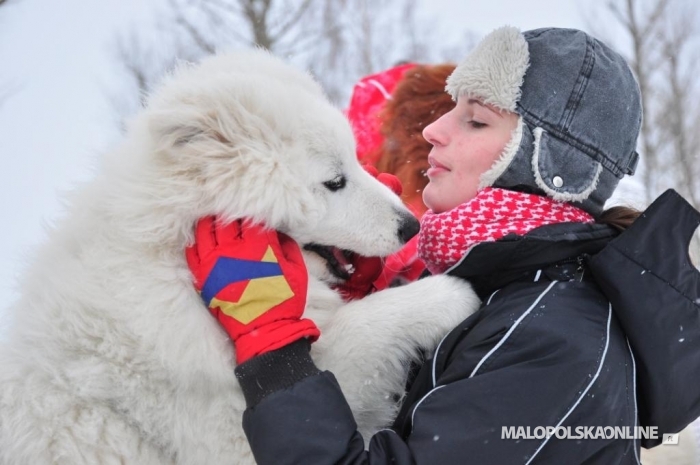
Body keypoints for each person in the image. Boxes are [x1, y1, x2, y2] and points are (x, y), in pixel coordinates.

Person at [186, 27, 700, 464]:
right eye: (450, 110)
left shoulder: (557, 341)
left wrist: (274, 348)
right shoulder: (517, 299)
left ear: (549, 165)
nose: (432, 129)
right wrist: (366, 301)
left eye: (475, 119)